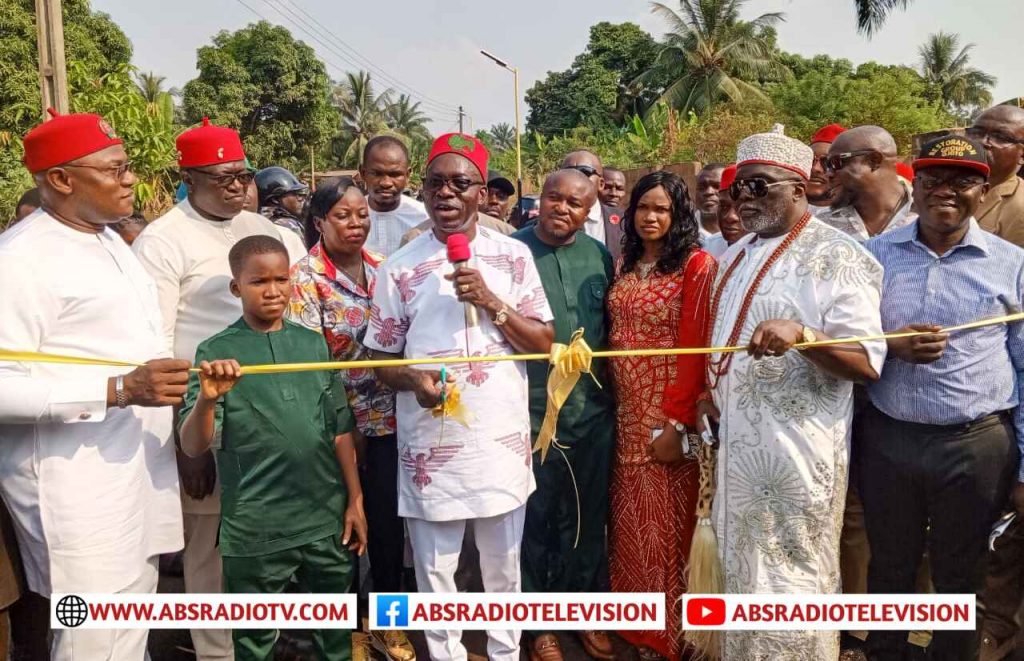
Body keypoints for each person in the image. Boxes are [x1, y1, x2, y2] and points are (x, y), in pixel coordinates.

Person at [0, 109, 190, 659]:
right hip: (74, 485)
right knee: (89, 630)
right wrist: (118, 390)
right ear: (61, 180)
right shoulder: (20, 260)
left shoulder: (109, 241)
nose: (130, 178)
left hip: (135, 468)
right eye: (115, 168)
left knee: (132, 616)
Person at [364, 133, 554, 661]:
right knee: (435, 569)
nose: (446, 193)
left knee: (502, 566)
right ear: (422, 191)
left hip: (499, 443)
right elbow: (378, 360)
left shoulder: (513, 256)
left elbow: (542, 344)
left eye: (460, 183)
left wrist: (492, 300)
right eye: (435, 183)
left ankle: (504, 652)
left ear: (479, 192)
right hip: (431, 444)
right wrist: (413, 381)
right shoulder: (398, 266)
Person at [699, 127, 885, 660]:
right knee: (742, 578)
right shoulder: (737, 255)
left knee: (791, 578)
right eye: (739, 189)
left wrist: (806, 338)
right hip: (735, 457)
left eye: (760, 186)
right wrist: (712, 393)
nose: (744, 200)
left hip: (794, 462)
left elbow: (868, 361)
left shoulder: (839, 256)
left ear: (799, 187)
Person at [133, 117, 306, 661]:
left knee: (264, 533)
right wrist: (186, 446)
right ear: (189, 177)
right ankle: (216, 650)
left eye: (243, 174)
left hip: (272, 410)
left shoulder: (266, 229)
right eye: (222, 177)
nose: (237, 186)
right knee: (208, 541)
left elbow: (299, 309)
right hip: (205, 410)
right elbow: (156, 343)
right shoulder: (163, 240)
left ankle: (261, 637)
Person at [862, 135, 1022, 661]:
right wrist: (891, 344)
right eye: (933, 180)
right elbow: (843, 338)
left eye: (962, 181)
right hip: (889, 437)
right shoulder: (874, 256)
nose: (945, 191)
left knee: (962, 570)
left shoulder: (1010, 264)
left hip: (975, 445)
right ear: (916, 187)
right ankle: (887, 651)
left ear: (984, 189)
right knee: (890, 565)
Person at [179, 235, 366, 661]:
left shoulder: (312, 344)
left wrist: (354, 499)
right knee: (255, 643)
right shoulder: (215, 353)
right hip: (256, 529)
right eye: (258, 281)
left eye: (282, 279)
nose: (273, 291)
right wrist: (208, 398)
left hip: (325, 520)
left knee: (334, 637)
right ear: (236, 288)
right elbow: (194, 444)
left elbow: (339, 428)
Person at [288, 177, 416, 661]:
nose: (356, 223)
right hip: (333, 428)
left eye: (362, 214)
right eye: (343, 215)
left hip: (387, 421)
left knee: (386, 528)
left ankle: (388, 627)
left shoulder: (384, 269)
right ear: (320, 221)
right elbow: (310, 366)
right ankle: (343, 634)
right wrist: (345, 426)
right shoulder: (305, 278)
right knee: (340, 533)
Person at [607, 171, 714, 661]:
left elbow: (696, 350)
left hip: (669, 415)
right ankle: (638, 626)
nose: (650, 217)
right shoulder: (625, 262)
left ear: (679, 215)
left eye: (662, 209)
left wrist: (677, 425)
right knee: (631, 521)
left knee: (671, 522)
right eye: (643, 207)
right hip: (626, 414)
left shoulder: (696, 266)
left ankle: (676, 634)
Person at [513, 170, 616, 661]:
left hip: (592, 412)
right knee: (536, 519)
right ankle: (537, 626)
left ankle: (582, 613)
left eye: (575, 203)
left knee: (586, 517)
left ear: (587, 209)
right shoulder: (513, 252)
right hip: (529, 411)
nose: (561, 208)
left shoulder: (599, 256)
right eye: (553, 197)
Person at [822, 125, 916, 242]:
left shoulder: (929, 215)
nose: (828, 174)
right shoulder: (821, 226)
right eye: (827, 165)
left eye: (836, 162)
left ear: (874, 160)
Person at [360, 136, 429, 257]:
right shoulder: (345, 220)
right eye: (377, 173)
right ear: (363, 173)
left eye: (395, 174)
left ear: (407, 175)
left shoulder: (425, 218)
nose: (386, 183)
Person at [968, 105, 1024, 247]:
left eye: (1000, 137)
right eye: (977, 133)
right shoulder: (944, 188)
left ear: (1022, 154)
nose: (983, 142)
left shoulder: (1020, 206)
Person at [561, 151, 625, 260]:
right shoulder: (545, 222)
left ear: (601, 184)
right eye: (568, 172)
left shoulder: (625, 221)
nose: (575, 178)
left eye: (585, 172)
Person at [701, 164, 748, 258]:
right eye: (724, 206)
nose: (730, 217)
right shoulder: (708, 248)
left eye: (740, 207)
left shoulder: (773, 252)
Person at [255, 166, 309, 242]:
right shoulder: (287, 225)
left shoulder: (257, 220)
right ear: (275, 199)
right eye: (296, 194)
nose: (301, 199)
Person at [807, 123, 846, 213]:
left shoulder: (862, 217)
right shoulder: (778, 206)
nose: (815, 168)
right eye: (810, 159)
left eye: (828, 162)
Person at [695, 163, 727, 237]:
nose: (708, 192)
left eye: (717, 186)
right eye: (702, 187)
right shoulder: (682, 231)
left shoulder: (745, 233)